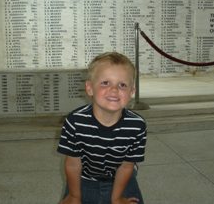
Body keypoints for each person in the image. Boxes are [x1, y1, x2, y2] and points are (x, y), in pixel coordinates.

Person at [57, 52, 147, 204]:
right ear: (90, 88)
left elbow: (126, 166)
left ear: (132, 92)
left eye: (122, 85)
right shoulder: (75, 122)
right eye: (105, 83)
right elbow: (73, 164)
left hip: (121, 178)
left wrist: (117, 198)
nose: (114, 90)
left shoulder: (137, 125)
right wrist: (74, 196)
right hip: (84, 178)